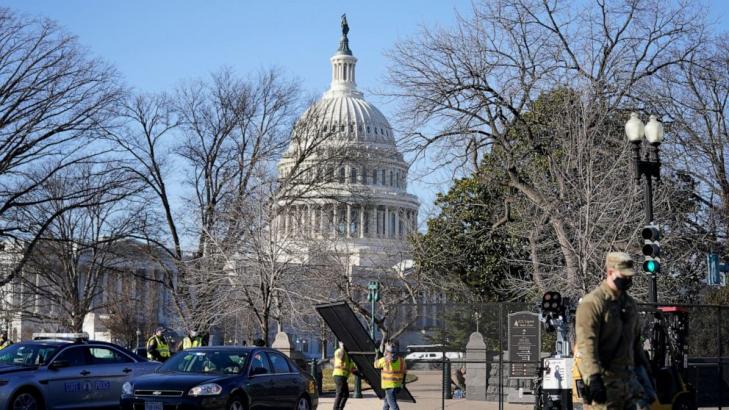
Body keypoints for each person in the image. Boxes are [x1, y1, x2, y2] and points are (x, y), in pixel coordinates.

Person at [575, 252, 645, 409]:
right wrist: (593, 378)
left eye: (630, 276)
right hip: (605, 384)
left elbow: (635, 342)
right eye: (624, 275)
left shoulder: (629, 304)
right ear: (610, 272)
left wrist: (645, 371)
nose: (628, 280)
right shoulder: (592, 304)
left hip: (629, 385)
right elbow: (586, 344)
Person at [374, 340, 406, 410]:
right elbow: (404, 373)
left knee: (393, 406)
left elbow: (375, 365)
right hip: (397, 385)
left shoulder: (384, 360)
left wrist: (377, 353)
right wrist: (402, 384)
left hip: (388, 385)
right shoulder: (402, 360)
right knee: (386, 403)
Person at [332, 341, 357, 410]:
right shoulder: (339, 351)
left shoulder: (348, 357)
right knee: (339, 393)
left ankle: (340, 408)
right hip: (338, 375)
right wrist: (341, 347)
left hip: (343, 377)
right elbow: (341, 357)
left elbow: (352, 369)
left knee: (346, 394)